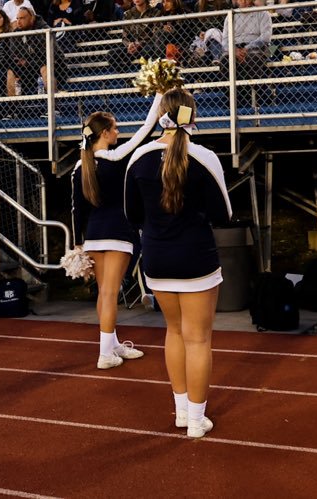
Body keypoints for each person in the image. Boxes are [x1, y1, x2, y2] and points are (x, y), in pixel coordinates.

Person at [124, 87, 232, 439]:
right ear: (191, 115)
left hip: (157, 256)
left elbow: (132, 214)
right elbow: (223, 213)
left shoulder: (138, 157)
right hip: (196, 256)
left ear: (160, 115)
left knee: (173, 332)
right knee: (198, 339)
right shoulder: (203, 156)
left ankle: (182, 412)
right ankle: (197, 421)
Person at [73, 94, 162, 369]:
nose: (119, 132)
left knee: (104, 293)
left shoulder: (80, 166)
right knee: (111, 294)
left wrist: (78, 245)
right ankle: (104, 354)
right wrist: (159, 94)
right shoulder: (116, 157)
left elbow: (77, 210)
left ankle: (111, 344)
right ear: (105, 133)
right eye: (115, 128)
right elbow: (146, 130)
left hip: (94, 236)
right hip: (119, 234)